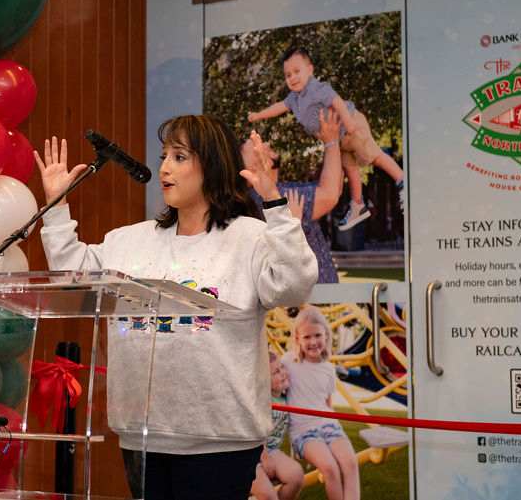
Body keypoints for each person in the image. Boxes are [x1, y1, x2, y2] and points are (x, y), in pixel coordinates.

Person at [34, 115, 319, 500]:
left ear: (212, 165)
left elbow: (295, 286)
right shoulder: (129, 240)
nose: (165, 167)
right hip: (142, 435)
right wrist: (55, 205)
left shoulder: (248, 237)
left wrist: (275, 205)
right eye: (164, 155)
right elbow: (76, 280)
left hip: (219, 440)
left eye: (180, 157)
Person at [247, 47, 404, 231]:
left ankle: (401, 180)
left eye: (297, 72)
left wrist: (349, 122)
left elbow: (336, 100)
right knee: (350, 168)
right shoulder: (294, 98)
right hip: (339, 138)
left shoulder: (317, 88)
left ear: (310, 70)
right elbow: (278, 107)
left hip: (351, 127)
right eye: (288, 75)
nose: (293, 78)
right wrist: (259, 115)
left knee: (375, 156)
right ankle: (358, 205)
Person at [241, 108, 343, 283]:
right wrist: (332, 141)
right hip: (311, 304)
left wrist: (338, 145)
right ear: (250, 168)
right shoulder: (271, 198)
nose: (267, 145)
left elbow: (336, 188)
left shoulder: (281, 190)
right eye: (257, 148)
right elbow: (330, 194)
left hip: (322, 301)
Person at [281, 306, 359, 500]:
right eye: (307, 337)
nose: (313, 342)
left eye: (318, 335)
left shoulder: (328, 369)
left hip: (328, 424)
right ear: (297, 339)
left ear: (326, 335)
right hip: (303, 431)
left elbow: (327, 403)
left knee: (350, 463)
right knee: (330, 468)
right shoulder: (289, 362)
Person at [251, 351, 305, 500]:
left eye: (282, 367)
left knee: (296, 475)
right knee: (269, 496)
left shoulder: (284, 397)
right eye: (276, 371)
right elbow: (256, 432)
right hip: (250, 454)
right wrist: (265, 458)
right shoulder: (263, 401)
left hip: (271, 449)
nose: (283, 373)